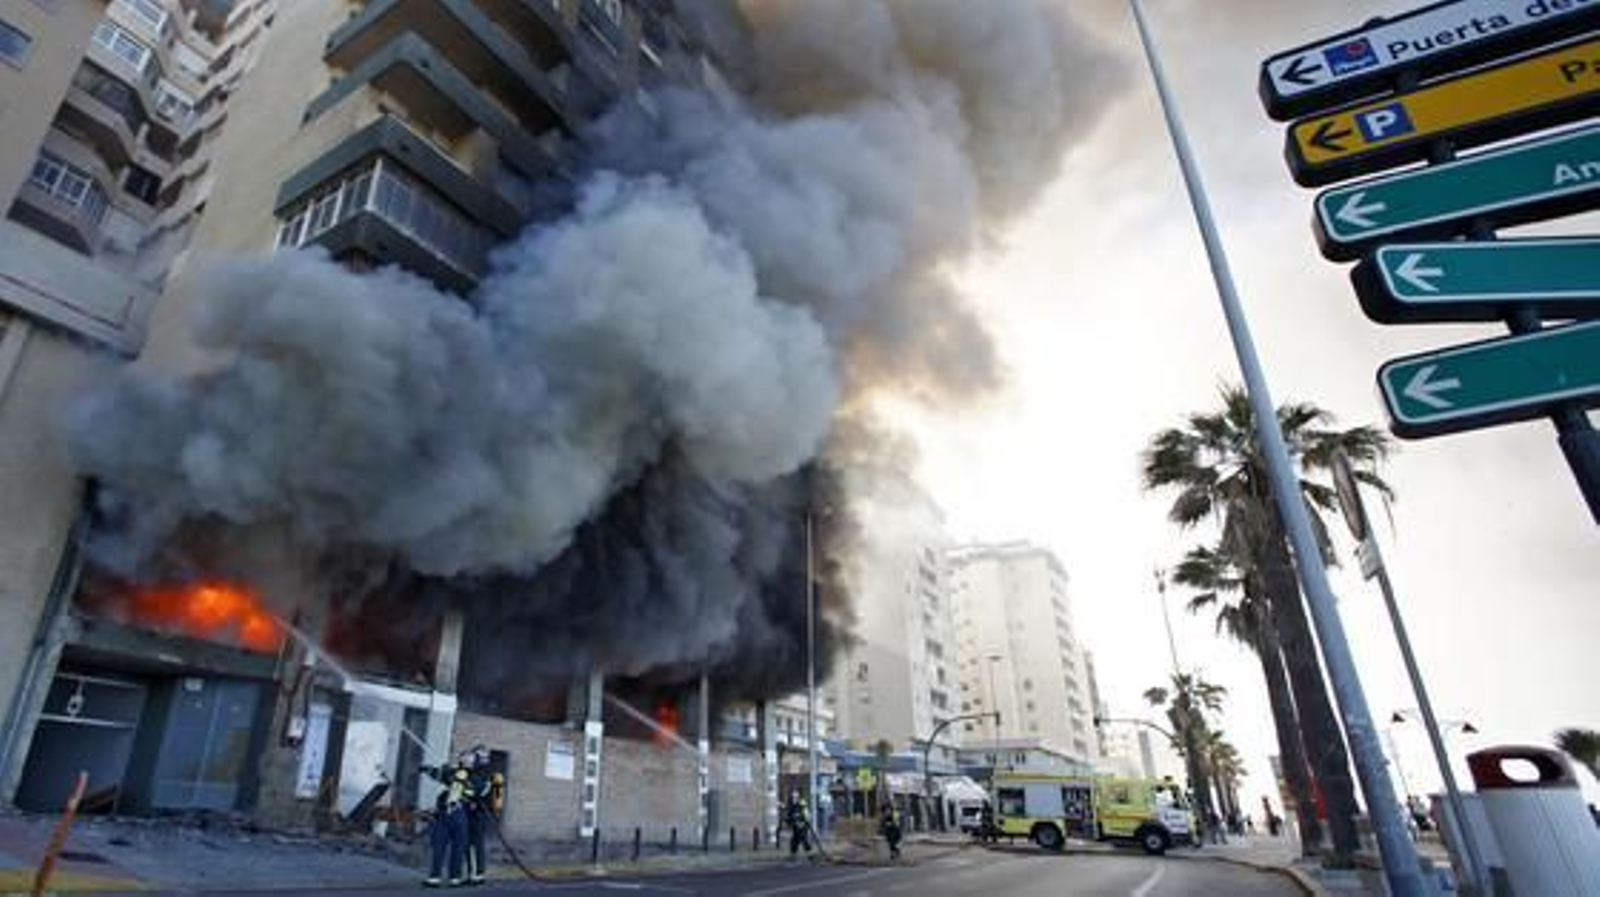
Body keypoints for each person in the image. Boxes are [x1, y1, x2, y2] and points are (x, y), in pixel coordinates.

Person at [422, 761, 469, 887]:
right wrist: (428, 769)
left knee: (449, 847)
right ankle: (447, 878)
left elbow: (441, 775)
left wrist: (428, 770)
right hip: (452, 816)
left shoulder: (461, 778)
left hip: (453, 816)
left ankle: (440, 877)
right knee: (445, 847)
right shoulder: (459, 779)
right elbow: (439, 775)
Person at [462, 746, 498, 886]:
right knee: (471, 845)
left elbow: (476, 792)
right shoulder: (479, 772)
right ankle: (474, 874)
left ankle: (478, 875)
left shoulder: (482, 773)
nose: (473, 759)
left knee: (475, 845)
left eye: (475, 757)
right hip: (476, 813)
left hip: (479, 814)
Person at [783, 792, 812, 857]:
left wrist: (803, 821)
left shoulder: (802, 804)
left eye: (796, 798)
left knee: (803, 838)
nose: (794, 799)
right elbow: (789, 816)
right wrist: (788, 821)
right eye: (793, 798)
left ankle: (809, 853)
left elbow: (806, 814)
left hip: (802, 825)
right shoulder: (791, 806)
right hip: (796, 826)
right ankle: (793, 853)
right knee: (795, 839)